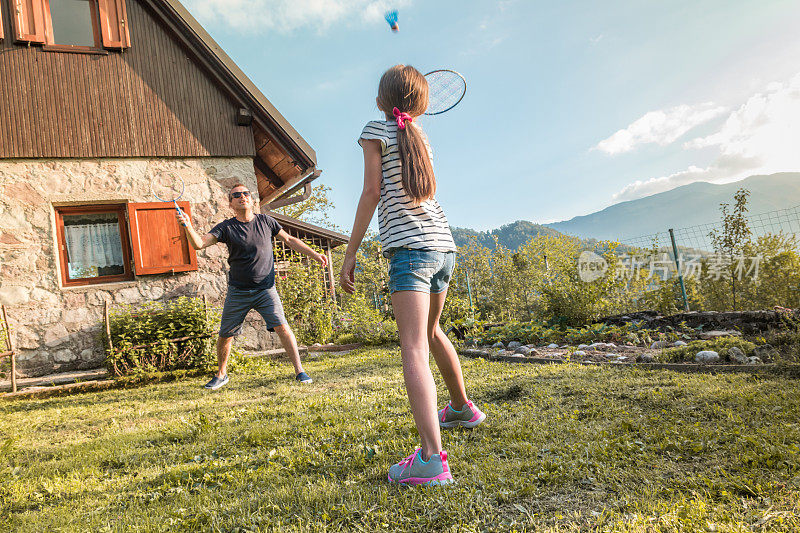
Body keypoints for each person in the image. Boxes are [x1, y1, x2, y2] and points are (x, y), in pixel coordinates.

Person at [339, 65, 486, 486]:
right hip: (444, 247)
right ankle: (461, 408)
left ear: (382, 100)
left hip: (410, 251)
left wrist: (350, 254)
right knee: (433, 330)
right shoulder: (420, 138)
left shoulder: (376, 129)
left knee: (413, 347)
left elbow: (371, 192)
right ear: (420, 104)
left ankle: (431, 459)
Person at [177, 183, 327, 390]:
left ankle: (300, 371)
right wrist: (187, 226)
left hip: (266, 290)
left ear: (251, 198)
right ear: (230, 204)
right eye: (236, 195)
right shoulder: (226, 227)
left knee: (283, 327)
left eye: (245, 193)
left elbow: (290, 239)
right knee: (225, 334)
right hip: (238, 291)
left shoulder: (266, 221)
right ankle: (221, 374)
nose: (242, 197)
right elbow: (199, 245)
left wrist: (313, 254)